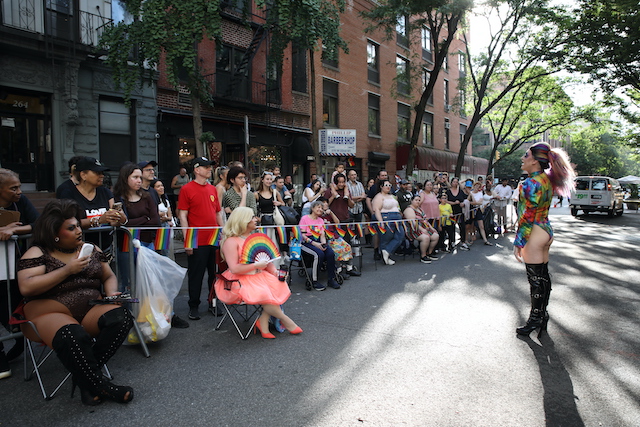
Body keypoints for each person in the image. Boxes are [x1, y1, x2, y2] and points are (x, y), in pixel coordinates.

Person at [16, 199, 134, 405]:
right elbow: (27, 287)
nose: (79, 230)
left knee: (121, 317)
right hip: (49, 312)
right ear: (55, 233)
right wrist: (67, 270)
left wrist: (112, 293)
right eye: (71, 228)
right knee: (73, 334)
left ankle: (85, 379)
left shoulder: (92, 249)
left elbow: (108, 276)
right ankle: (103, 386)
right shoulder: (38, 252)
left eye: (78, 225)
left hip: (89, 309)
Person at [514, 142, 575, 337]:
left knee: (535, 280)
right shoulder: (546, 180)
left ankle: (535, 318)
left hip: (534, 232)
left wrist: (518, 242)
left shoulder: (530, 184)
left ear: (534, 160)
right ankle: (542, 315)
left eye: (526, 155)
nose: (522, 158)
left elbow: (526, 216)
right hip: (546, 230)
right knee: (543, 276)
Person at [218, 207, 302, 339]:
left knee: (276, 285)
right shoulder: (231, 241)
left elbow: (265, 259)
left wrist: (274, 271)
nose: (256, 219)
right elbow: (234, 268)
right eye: (252, 217)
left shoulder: (254, 237)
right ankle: (287, 321)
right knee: (265, 292)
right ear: (243, 221)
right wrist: (256, 265)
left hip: (258, 275)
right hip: (239, 279)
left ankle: (262, 322)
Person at [0, 169, 40, 378]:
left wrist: (15, 230)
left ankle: (18, 339)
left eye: (19, 187)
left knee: (13, 306)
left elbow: (39, 223)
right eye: (13, 188)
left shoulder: (21, 202)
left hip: (14, 267)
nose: (19, 191)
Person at [177, 157, 225, 321]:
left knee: (214, 273)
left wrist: (223, 232)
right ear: (196, 170)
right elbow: (183, 216)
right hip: (197, 238)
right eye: (205, 167)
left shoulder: (212, 189)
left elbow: (217, 212)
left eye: (209, 167)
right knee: (196, 274)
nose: (209, 169)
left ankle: (213, 302)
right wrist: (187, 239)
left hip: (213, 238)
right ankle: (194, 305)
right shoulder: (186, 189)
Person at [62, 157, 126, 250]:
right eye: (97, 173)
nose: (102, 176)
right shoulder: (68, 193)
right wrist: (98, 220)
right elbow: (68, 223)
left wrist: (120, 218)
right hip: (80, 251)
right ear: (83, 175)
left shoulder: (105, 192)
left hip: (105, 249)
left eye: (102, 173)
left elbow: (114, 221)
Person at [299, 200, 340, 291]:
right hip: (307, 242)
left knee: (330, 253)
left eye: (322, 208)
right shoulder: (305, 218)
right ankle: (314, 280)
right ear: (312, 208)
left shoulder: (321, 220)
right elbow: (303, 235)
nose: (320, 209)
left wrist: (323, 244)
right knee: (319, 254)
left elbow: (322, 234)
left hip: (318, 240)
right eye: (318, 207)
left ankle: (331, 279)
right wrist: (314, 243)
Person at [371, 179, 405, 265]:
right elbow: (376, 210)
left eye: (390, 185)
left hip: (397, 218)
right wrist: (381, 221)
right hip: (386, 217)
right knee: (387, 237)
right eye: (386, 185)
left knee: (400, 235)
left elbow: (397, 206)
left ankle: (387, 251)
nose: (388, 187)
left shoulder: (392, 196)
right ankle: (385, 257)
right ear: (381, 187)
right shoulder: (378, 196)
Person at [403, 194, 439, 263]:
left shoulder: (420, 209)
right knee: (426, 237)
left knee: (435, 236)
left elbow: (425, 220)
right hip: (413, 229)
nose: (418, 202)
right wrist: (422, 230)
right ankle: (423, 256)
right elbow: (413, 223)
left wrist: (431, 228)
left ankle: (429, 253)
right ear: (411, 200)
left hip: (424, 227)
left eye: (419, 200)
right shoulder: (409, 210)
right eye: (416, 200)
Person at [366, 170, 389, 260]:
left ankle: (385, 251)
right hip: (377, 213)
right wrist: (372, 211)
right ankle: (376, 251)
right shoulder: (374, 187)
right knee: (376, 233)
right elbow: (368, 199)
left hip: (388, 214)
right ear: (378, 177)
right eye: (382, 175)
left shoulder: (390, 186)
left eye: (385, 175)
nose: (384, 177)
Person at [446, 177, 468, 250]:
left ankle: (463, 242)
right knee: (452, 227)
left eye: (456, 182)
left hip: (460, 212)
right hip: (452, 212)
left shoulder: (460, 191)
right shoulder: (448, 192)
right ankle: (452, 242)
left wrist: (463, 203)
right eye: (454, 182)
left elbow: (465, 198)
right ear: (451, 182)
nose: (455, 183)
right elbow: (445, 200)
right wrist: (453, 203)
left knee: (462, 226)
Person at [468, 182, 493, 246]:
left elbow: (480, 203)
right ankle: (471, 238)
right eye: (476, 186)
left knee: (481, 226)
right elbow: (468, 201)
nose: (477, 188)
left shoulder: (480, 193)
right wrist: (474, 202)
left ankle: (485, 240)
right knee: (471, 226)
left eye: (478, 187)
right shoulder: (471, 193)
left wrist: (474, 202)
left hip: (478, 210)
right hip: (472, 210)